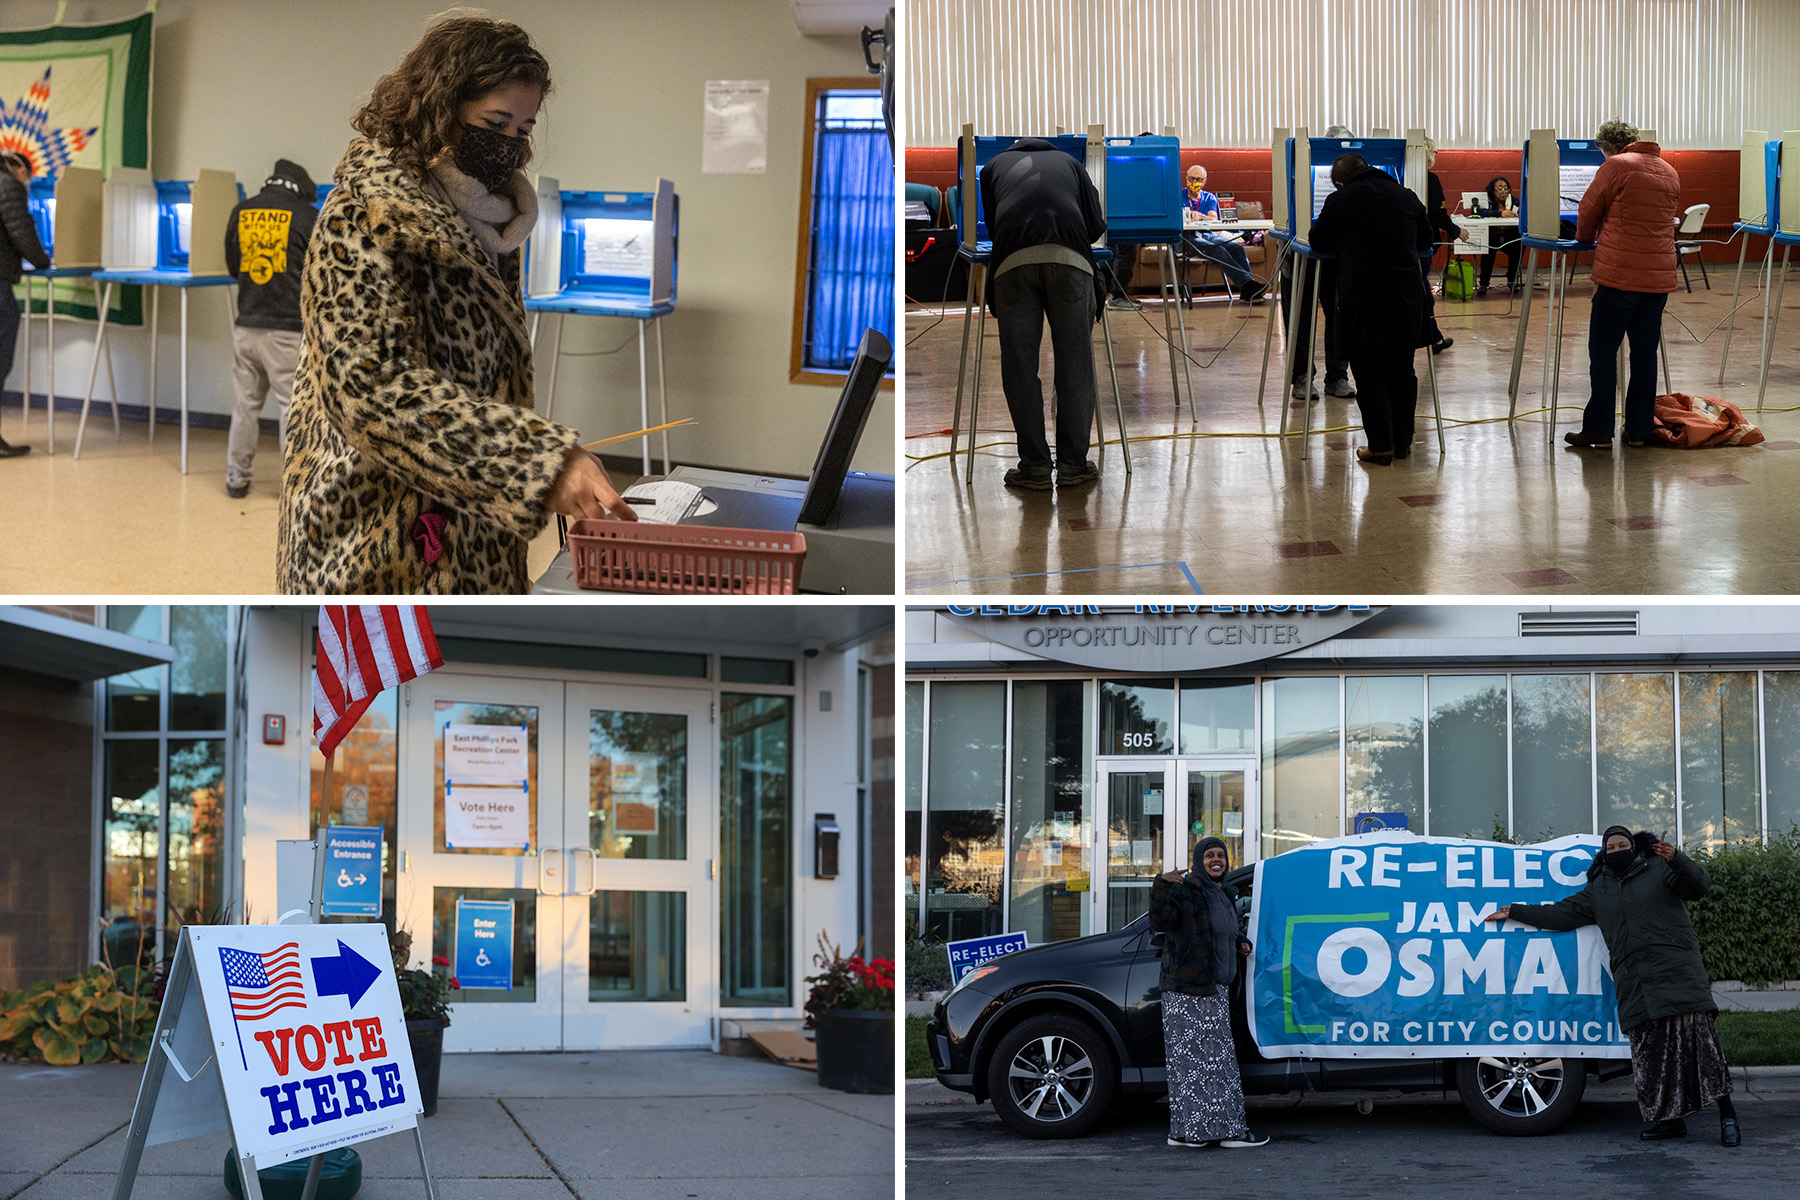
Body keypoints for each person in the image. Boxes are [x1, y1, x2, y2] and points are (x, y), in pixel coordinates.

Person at [278, 14, 634, 594]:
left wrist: (548, 458)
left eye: (523, 127)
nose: (510, 144)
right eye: (496, 122)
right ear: (440, 108)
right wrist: (534, 462)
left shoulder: (488, 222)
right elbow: (372, 391)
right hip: (376, 529)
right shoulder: (363, 215)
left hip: (471, 521)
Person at [1486, 826, 1739, 1147]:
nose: (1617, 849)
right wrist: (1515, 911)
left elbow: (1699, 886)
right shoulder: (1599, 889)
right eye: (1611, 846)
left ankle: (1727, 1116)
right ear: (1604, 852)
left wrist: (1677, 858)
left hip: (1678, 973)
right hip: (1635, 982)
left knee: (1702, 1050)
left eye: (1623, 844)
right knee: (1651, 1057)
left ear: (1634, 846)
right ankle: (1670, 1121)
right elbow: (1561, 913)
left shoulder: (1659, 868)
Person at [979, 136, 1107, 491]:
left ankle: (1034, 467)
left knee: (1020, 368)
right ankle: (1073, 466)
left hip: (1012, 265)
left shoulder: (991, 168)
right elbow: (1096, 225)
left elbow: (993, 226)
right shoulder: (1071, 163)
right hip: (1071, 262)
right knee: (1075, 365)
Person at [1307, 153, 1433, 465]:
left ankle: (1381, 446)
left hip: (1364, 299)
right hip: (1407, 296)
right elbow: (1426, 241)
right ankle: (1403, 444)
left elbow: (1317, 240)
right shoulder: (1406, 196)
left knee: (1370, 371)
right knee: (1403, 371)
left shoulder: (1342, 200)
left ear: (1339, 182)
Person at [1564, 119, 1681, 451]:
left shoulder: (1615, 166)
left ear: (1608, 147)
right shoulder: (1669, 171)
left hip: (1618, 278)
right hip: (1657, 280)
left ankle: (1599, 429)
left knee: (1602, 353)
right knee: (1644, 355)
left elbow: (1588, 210)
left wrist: (1584, 239)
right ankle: (1640, 431)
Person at [1150, 837, 1266, 1149]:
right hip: (1189, 992)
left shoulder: (1222, 893)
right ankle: (1227, 1132)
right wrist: (1161, 884)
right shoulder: (1186, 889)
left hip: (1213, 991)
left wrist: (1239, 939)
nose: (1216, 860)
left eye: (1220, 855)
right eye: (1209, 855)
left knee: (1199, 1065)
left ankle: (1187, 1133)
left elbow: (1217, 928)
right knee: (1206, 1066)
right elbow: (1162, 922)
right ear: (1199, 859)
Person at [223, 158, 317, 498]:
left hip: (246, 324)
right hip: (287, 330)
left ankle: (237, 479)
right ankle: (292, 486)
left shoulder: (242, 210)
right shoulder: (306, 216)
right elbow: (318, 273)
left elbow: (233, 266)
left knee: (245, 405)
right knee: (290, 407)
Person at [0, 149, 49, 458]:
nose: (26, 181)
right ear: (17, 167)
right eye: (26, 175)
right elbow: (22, 232)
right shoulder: (7, 185)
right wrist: (43, 261)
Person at [1183, 164, 1266, 303]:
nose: (1194, 183)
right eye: (1191, 178)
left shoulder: (1209, 198)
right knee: (1218, 249)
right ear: (1186, 178)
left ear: (1204, 181)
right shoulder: (1178, 195)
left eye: (1198, 179)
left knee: (1237, 248)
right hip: (1184, 238)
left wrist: (1201, 216)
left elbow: (1213, 218)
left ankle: (1248, 291)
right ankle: (1249, 286)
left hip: (1205, 235)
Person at [1423, 142, 1457, 354]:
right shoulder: (1431, 179)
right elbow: (1438, 214)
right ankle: (1433, 338)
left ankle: (1434, 337)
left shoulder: (1399, 174)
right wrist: (1455, 230)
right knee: (1423, 293)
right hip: (1423, 242)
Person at [1477, 176, 1520, 295]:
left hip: (1509, 236)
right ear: (1492, 191)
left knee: (1518, 245)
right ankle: (1484, 283)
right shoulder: (1487, 202)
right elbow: (1480, 212)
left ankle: (1512, 280)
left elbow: (1523, 211)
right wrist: (1500, 214)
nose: (1503, 191)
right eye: (1499, 189)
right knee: (1488, 247)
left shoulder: (1515, 202)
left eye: (1506, 188)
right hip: (1493, 236)